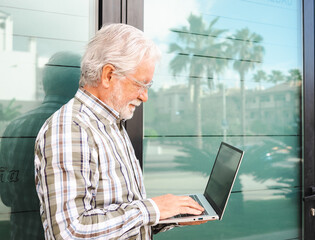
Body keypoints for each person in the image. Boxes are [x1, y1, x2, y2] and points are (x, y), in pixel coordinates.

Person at [34, 23, 206, 240]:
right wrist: (151, 209)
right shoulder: (71, 129)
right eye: (140, 84)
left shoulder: (111, 124)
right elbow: (71, 232)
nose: (145, 96)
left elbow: (116, 222)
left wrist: (168, 215)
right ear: (108, 75)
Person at [0, 51, 81, 239]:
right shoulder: (80, 129)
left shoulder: (14, 128)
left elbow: (6, 196)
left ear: (45, 85)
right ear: (80, 85)